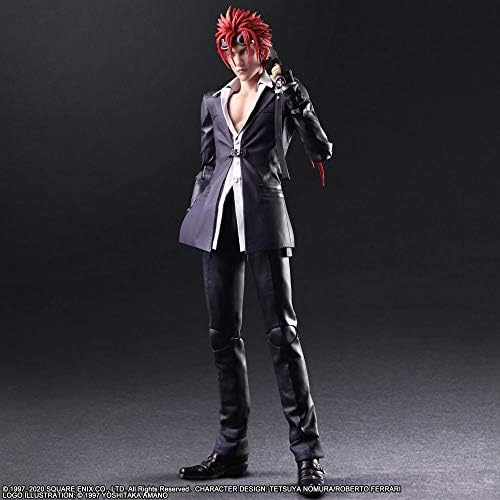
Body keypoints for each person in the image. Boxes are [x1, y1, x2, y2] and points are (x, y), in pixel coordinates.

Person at [178, 6, 334, 496]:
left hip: (264, 217)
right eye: (229, 47)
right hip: (219, 223)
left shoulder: (279, 95)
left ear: (260, 47)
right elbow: (208, 163)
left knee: (282, 335)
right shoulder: (214, 101)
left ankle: (308, 456)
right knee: (222, 336)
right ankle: (231, 449)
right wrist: (200, 204)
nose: (236, 56)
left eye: (244, 46)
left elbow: (319, 149)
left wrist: (297, 98)